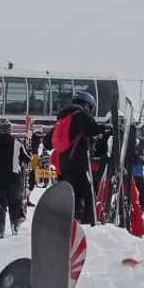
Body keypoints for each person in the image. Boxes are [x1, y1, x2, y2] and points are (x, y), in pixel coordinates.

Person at [50, 91, 108, 225]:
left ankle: (67, 222)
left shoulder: (62, 119)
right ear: (87, 105)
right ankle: (80, 225)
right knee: (85, 196)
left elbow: (48, 142)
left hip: (63, 165)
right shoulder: (80, 116)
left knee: (70, 195)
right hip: (77, 164)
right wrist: (105, 129)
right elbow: (91, 129)